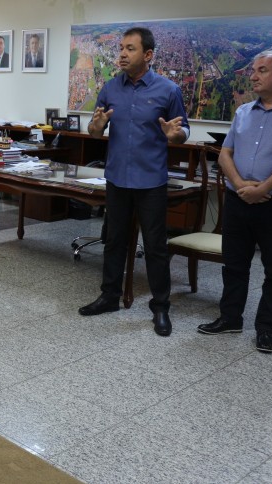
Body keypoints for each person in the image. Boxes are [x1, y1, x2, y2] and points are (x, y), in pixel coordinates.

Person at [198, 50, 272, 353]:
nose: (252, 76)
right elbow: (225, 154)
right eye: (253, 70)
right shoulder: (243, 111)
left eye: (261, 70)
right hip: (240, 201)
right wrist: (240, 186)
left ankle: (265, 329)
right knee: (234, 264)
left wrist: (261, 188)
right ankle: (230, 318)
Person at [78, 27, 190, 337]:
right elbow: (95, 130)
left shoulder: (169, 91)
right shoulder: (112, 88)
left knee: (154, 246)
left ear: (148, 55)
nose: (122, 54)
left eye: (130, 49)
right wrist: (95, 127)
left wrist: (175, 135)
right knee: (114, 240)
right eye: (121, 48)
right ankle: (109, 296)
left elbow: (184, 131)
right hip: (117, 179)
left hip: (151, 181)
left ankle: (161, 307)